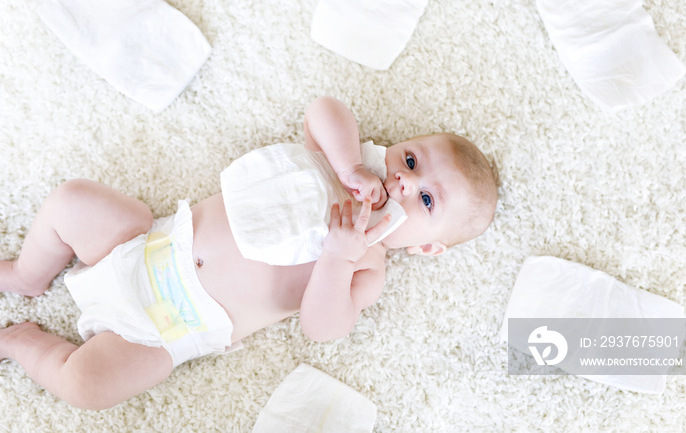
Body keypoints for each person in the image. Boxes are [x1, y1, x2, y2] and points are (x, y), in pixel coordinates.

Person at [0, 96, 498, 410]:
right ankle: (26, 276)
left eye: (427, 200)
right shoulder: (343, 163)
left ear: (428, 247)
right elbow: (323, 109)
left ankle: (24, 343)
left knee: (88, 386)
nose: (404, 181)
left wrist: (336, 258)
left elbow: (323, 327)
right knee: (71, 200)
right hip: (144, 243)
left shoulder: (367, 264)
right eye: (410, 160)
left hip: (166, 329)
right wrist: (347, 166)